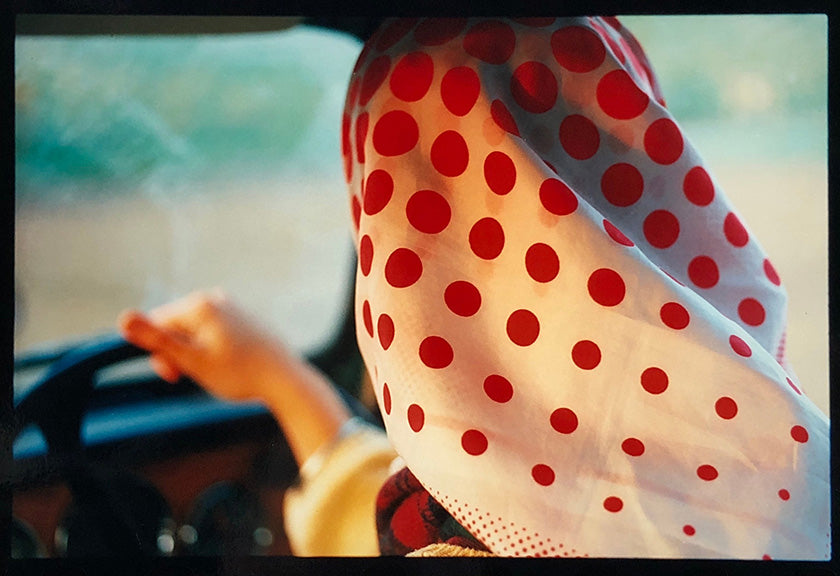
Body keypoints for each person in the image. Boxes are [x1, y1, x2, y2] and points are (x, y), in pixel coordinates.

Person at [119, 17, 829, 559]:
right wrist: (282, 382)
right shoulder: (795, 474)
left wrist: (281, 383)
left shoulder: (455, 539)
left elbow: (388, 524)